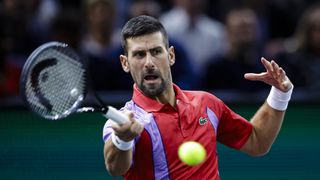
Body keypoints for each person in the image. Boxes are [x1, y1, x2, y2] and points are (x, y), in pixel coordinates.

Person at [102, 15, 294, 179]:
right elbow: (115, 167)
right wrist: (123, 139)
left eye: (156, 51)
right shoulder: (123, 122)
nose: (149, 62)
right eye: (139, 55)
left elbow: (256, 141)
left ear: (170, 56)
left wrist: (280, 93)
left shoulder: (206, 103)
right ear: (125, 63)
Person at [202, 7, 268, 92]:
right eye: (241, 28)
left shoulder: (266, 70)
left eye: (250, 27)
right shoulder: (214, 70)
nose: (246, 32)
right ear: (228, 32)